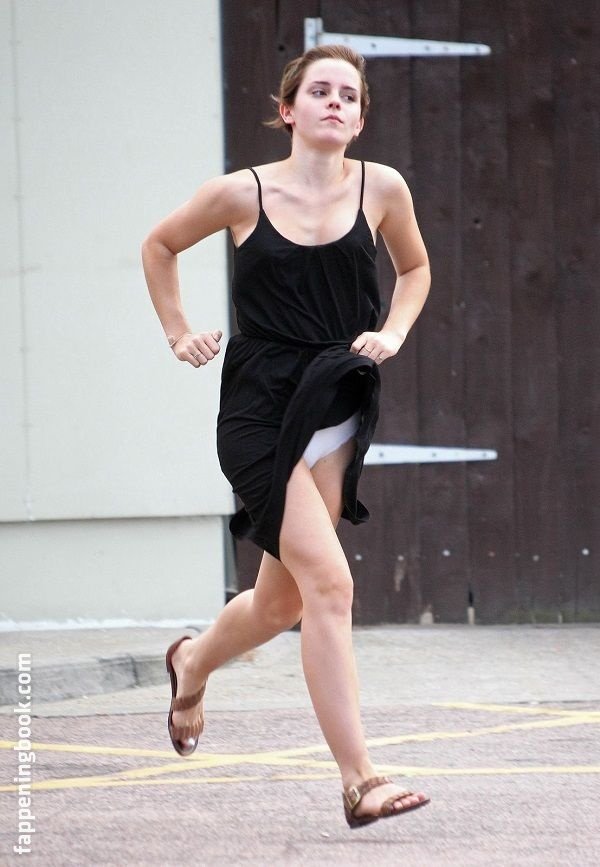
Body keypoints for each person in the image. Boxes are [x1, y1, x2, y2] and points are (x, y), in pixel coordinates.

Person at [141, 44, 431, 828]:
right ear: (287, 110)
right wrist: (178, 332)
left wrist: (393, 332)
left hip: (336, 404)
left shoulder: (382, 188)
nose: (336, 102)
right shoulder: (240, 193)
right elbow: (159, 245)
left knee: (279, 602)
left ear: (359, 118)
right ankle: (359, 779)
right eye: (320, 91)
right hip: (259, 409)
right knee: (331, 585)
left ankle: (191, 661)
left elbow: (414, 271)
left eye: (349, 96)